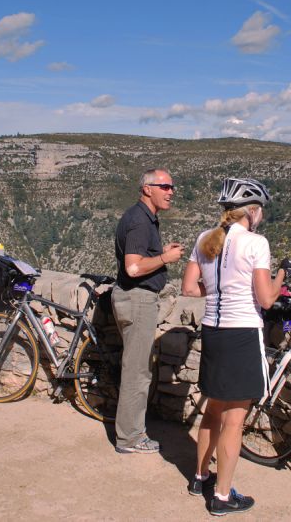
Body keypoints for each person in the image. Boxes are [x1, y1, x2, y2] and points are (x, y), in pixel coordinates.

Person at [181, 177, 291, 516]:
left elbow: (188, 288)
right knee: (234, 420)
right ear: (253, 212)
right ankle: (222, 496)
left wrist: (218, 292)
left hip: (212, 332)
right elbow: (266, 299)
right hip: (242, 333)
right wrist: (283, 275)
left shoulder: (204, 239)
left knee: (213, 409)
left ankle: (200, 476)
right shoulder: (256, 243)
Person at [112, 168, 184, 454]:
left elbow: (139, 259)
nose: (171, 191)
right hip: (138, 299)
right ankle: (130, 438)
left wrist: (158, 254)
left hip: (133, 298)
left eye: (171, 186)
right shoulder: (141, 222)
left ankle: (130, 432)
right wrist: (165, 258)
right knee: (137, 372)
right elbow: (133, 267)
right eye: (164, 186)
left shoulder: (141, 218)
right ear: (147, 189)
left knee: (136, 367)